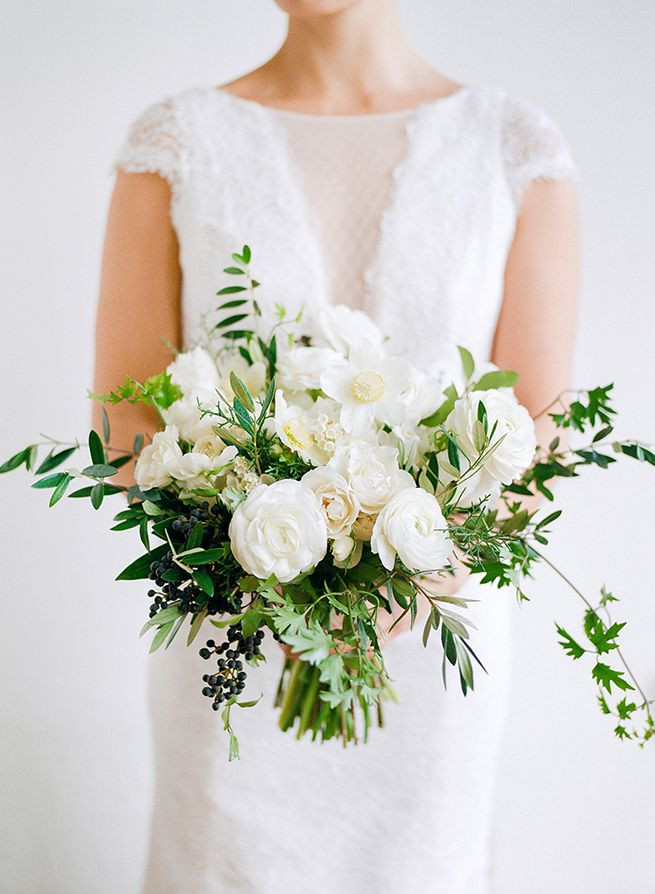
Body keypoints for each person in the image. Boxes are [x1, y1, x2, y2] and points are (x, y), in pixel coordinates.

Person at [93, 1, 580, 891]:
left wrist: (414, 578)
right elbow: (125, 417)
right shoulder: (174, 140)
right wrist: (252, 565)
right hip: (232, 650)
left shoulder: (511, 144)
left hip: (431, 647)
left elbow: (535, 431)